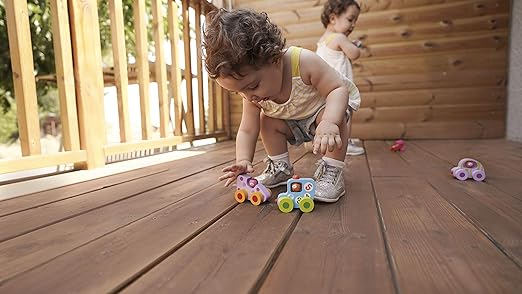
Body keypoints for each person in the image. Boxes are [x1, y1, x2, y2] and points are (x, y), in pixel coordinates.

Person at [203, 8, 360, 202]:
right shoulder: (252, 95)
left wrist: (329, 122)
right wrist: (243, 160)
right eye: (239, 92)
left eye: (253, 86)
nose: (248, 97)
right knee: (266, 121)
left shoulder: (303, 61)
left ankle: (331, 171)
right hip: (289, 122)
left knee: (338, 115)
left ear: (274, 59)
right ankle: (280, 167)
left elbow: (338, 89)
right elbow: (247, 130)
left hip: (320, 117)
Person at [317, 0, 365, 156]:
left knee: (334, 115)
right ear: (333, 18)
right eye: (350, 19)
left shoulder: (323, 40)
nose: (353, 25)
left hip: (326, 88)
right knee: (346, 113)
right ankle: (345, 143)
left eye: (355, 21)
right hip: (341, 88)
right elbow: (354, 54)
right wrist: (355, 46)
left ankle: (336, 140)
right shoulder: (339, 38)